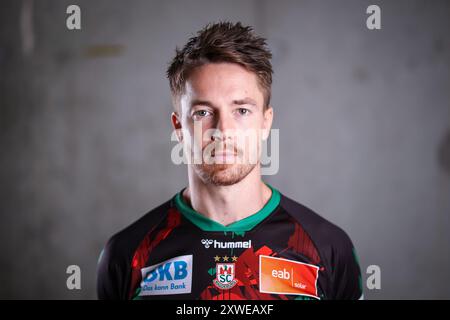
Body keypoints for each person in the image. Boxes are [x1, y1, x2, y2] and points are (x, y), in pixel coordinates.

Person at [97, 21, 363, 300]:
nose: (223, 131)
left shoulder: (327, 248)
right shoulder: (128, 254)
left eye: (242, 110)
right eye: (202, 113)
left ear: (265, 122)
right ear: (179, 128)